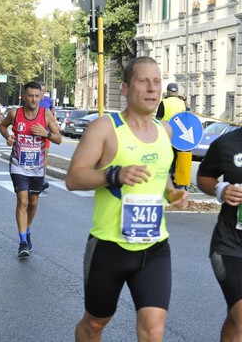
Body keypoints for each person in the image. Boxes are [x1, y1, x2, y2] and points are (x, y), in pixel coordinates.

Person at [64, 57, 189, 342]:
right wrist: (114, 175)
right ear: (125, 88)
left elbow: (160, 177)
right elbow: (74, 178)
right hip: (109, 247)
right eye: (143, 81)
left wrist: (172, 192)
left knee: (153, 330)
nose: (151, 88)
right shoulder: (105, 128)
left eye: (156, 82)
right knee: (95, 325)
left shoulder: (165, 131)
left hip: (155, 247)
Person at [0, 81, 62, 258]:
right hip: (18, 164)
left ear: (41, 97)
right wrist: (8, 137)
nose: (33, 99)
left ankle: (27, 229)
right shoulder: (15, 113)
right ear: (24, 97)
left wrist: (46, 133)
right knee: (23, 201)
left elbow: (58, 138)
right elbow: (2, 126)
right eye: (30, 96)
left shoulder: (46, 114)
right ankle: (23, 241)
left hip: (37, 167)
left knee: (33, 202)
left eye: (37, 96)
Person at [196, 126, 242, 341]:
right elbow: (204, 176)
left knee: (236, 319)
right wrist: (220, 189)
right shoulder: (226, 144)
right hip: (230, 244)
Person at [156, 82, 187, 188]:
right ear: (177, 92)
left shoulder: (164, 102)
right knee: (179, 160)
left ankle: (167, 184)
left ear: (168, 92)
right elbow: (188, 114)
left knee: (168, 159)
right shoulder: (181, 103)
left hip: (167, 136)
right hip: (181, 137)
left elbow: (158, 120)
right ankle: (179, 185)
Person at [39, 85, 55, 191]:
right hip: (33, 132)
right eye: (40, 90)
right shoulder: (32, 100)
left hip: (45, 132)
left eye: (44, 91)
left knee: (44, 155)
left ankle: (42, 179)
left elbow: (52, 111)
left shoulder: (48, 100)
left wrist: (52, 121)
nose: (42, 93)